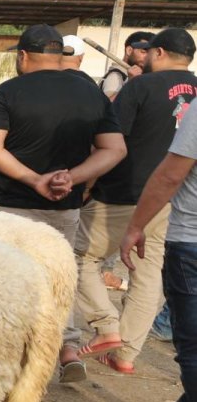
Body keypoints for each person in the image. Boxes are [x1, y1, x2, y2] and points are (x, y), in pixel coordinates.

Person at [0, 24, 126, 383]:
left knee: (3, 282)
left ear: (23, 56)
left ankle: (7, 355)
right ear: (60, 55)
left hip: (8, 207)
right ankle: (68, 348)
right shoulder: (90, 93)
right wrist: (70, 178)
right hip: (64, 207)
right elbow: (115, 149)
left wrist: (34, 179)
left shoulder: (8, 91)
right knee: (58, 280)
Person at [74, 28, 197, 375]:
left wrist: (87, 184)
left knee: (80, 257)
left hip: (124, 192)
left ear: (158, 53)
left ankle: (108, 326)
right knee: (147, 273)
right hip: (174, 200)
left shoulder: (140, 87)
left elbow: (111, 142)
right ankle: (125, 354)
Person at [119, 39, 197, 402]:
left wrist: (135, 227)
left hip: (190, 238)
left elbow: (170, 174)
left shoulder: (192, 107)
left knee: (192, 348)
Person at [102, 31, 155, 99]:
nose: (148, 57)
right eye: (144, 52)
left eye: (151, 54)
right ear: (129, 51)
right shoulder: (116, 76)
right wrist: (131, 83)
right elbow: (108, 106)